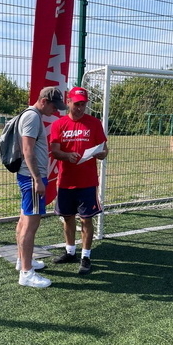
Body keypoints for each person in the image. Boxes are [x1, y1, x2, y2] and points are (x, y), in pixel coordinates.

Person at [50, 86, 108, 275]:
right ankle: (70, 252)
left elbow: (104, 149)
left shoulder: (94, 123)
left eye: (83, 104)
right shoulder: (59, 124)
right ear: (68, 102)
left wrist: (102, 153)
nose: (80, 108)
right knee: (67, 217)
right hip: (66, 181)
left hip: (87, 181)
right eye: (76, 104)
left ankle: (86, 256)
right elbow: (55, 151)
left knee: (86, 219)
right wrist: (67, 156)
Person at [16, 86, 67, 288]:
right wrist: (37, 178)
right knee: (30, 225)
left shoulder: (31, 115)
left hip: (28, 176)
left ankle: (23, 261)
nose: (55, 111)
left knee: (24, 221)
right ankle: (26, 273)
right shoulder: (33, 117)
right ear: (44, 101)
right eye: (54, 106)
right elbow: (27, 150)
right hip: (31, 178)